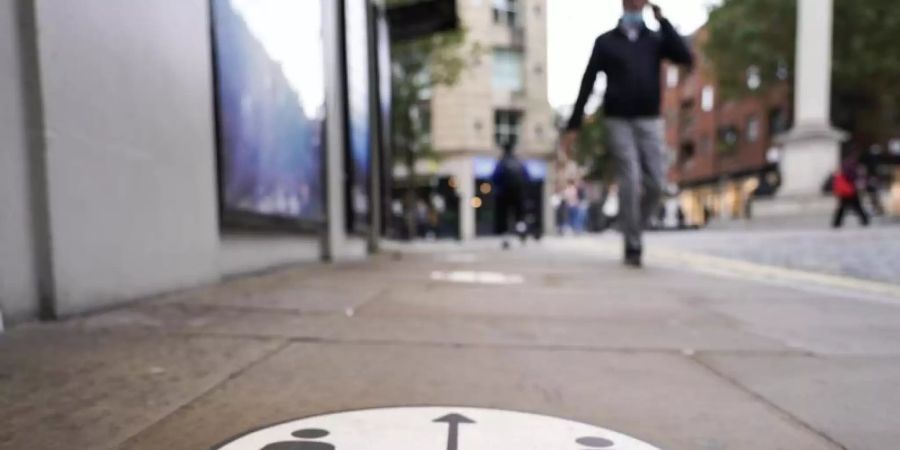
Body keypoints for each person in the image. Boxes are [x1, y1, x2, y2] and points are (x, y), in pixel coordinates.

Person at [561, 0, 693, 267]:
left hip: (650, 119)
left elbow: (685, 57)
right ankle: (633, 244)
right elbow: (588, 82)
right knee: (630, 179)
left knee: (657, 182)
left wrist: (663, 20)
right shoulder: (606, 42)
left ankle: (635, 228)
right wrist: (573, 125)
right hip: (618, 120)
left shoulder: (655, 40)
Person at [492, 141, 530, 248]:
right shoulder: (519, 162)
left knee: (503, 216)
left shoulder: (501, 162)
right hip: (519, 193)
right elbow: (527, 177)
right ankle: (521, 229)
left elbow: (494, 177)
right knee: (520, 215)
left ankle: (505, 238)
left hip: (503, 194)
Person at [832, 157, 870, 228]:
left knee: (843, 208)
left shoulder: (844, 168)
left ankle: (837, 222)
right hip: (850, 191)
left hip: (846, 192)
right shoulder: (851, 169)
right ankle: (864, 220)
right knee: (857, 207)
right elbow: (852, 178)